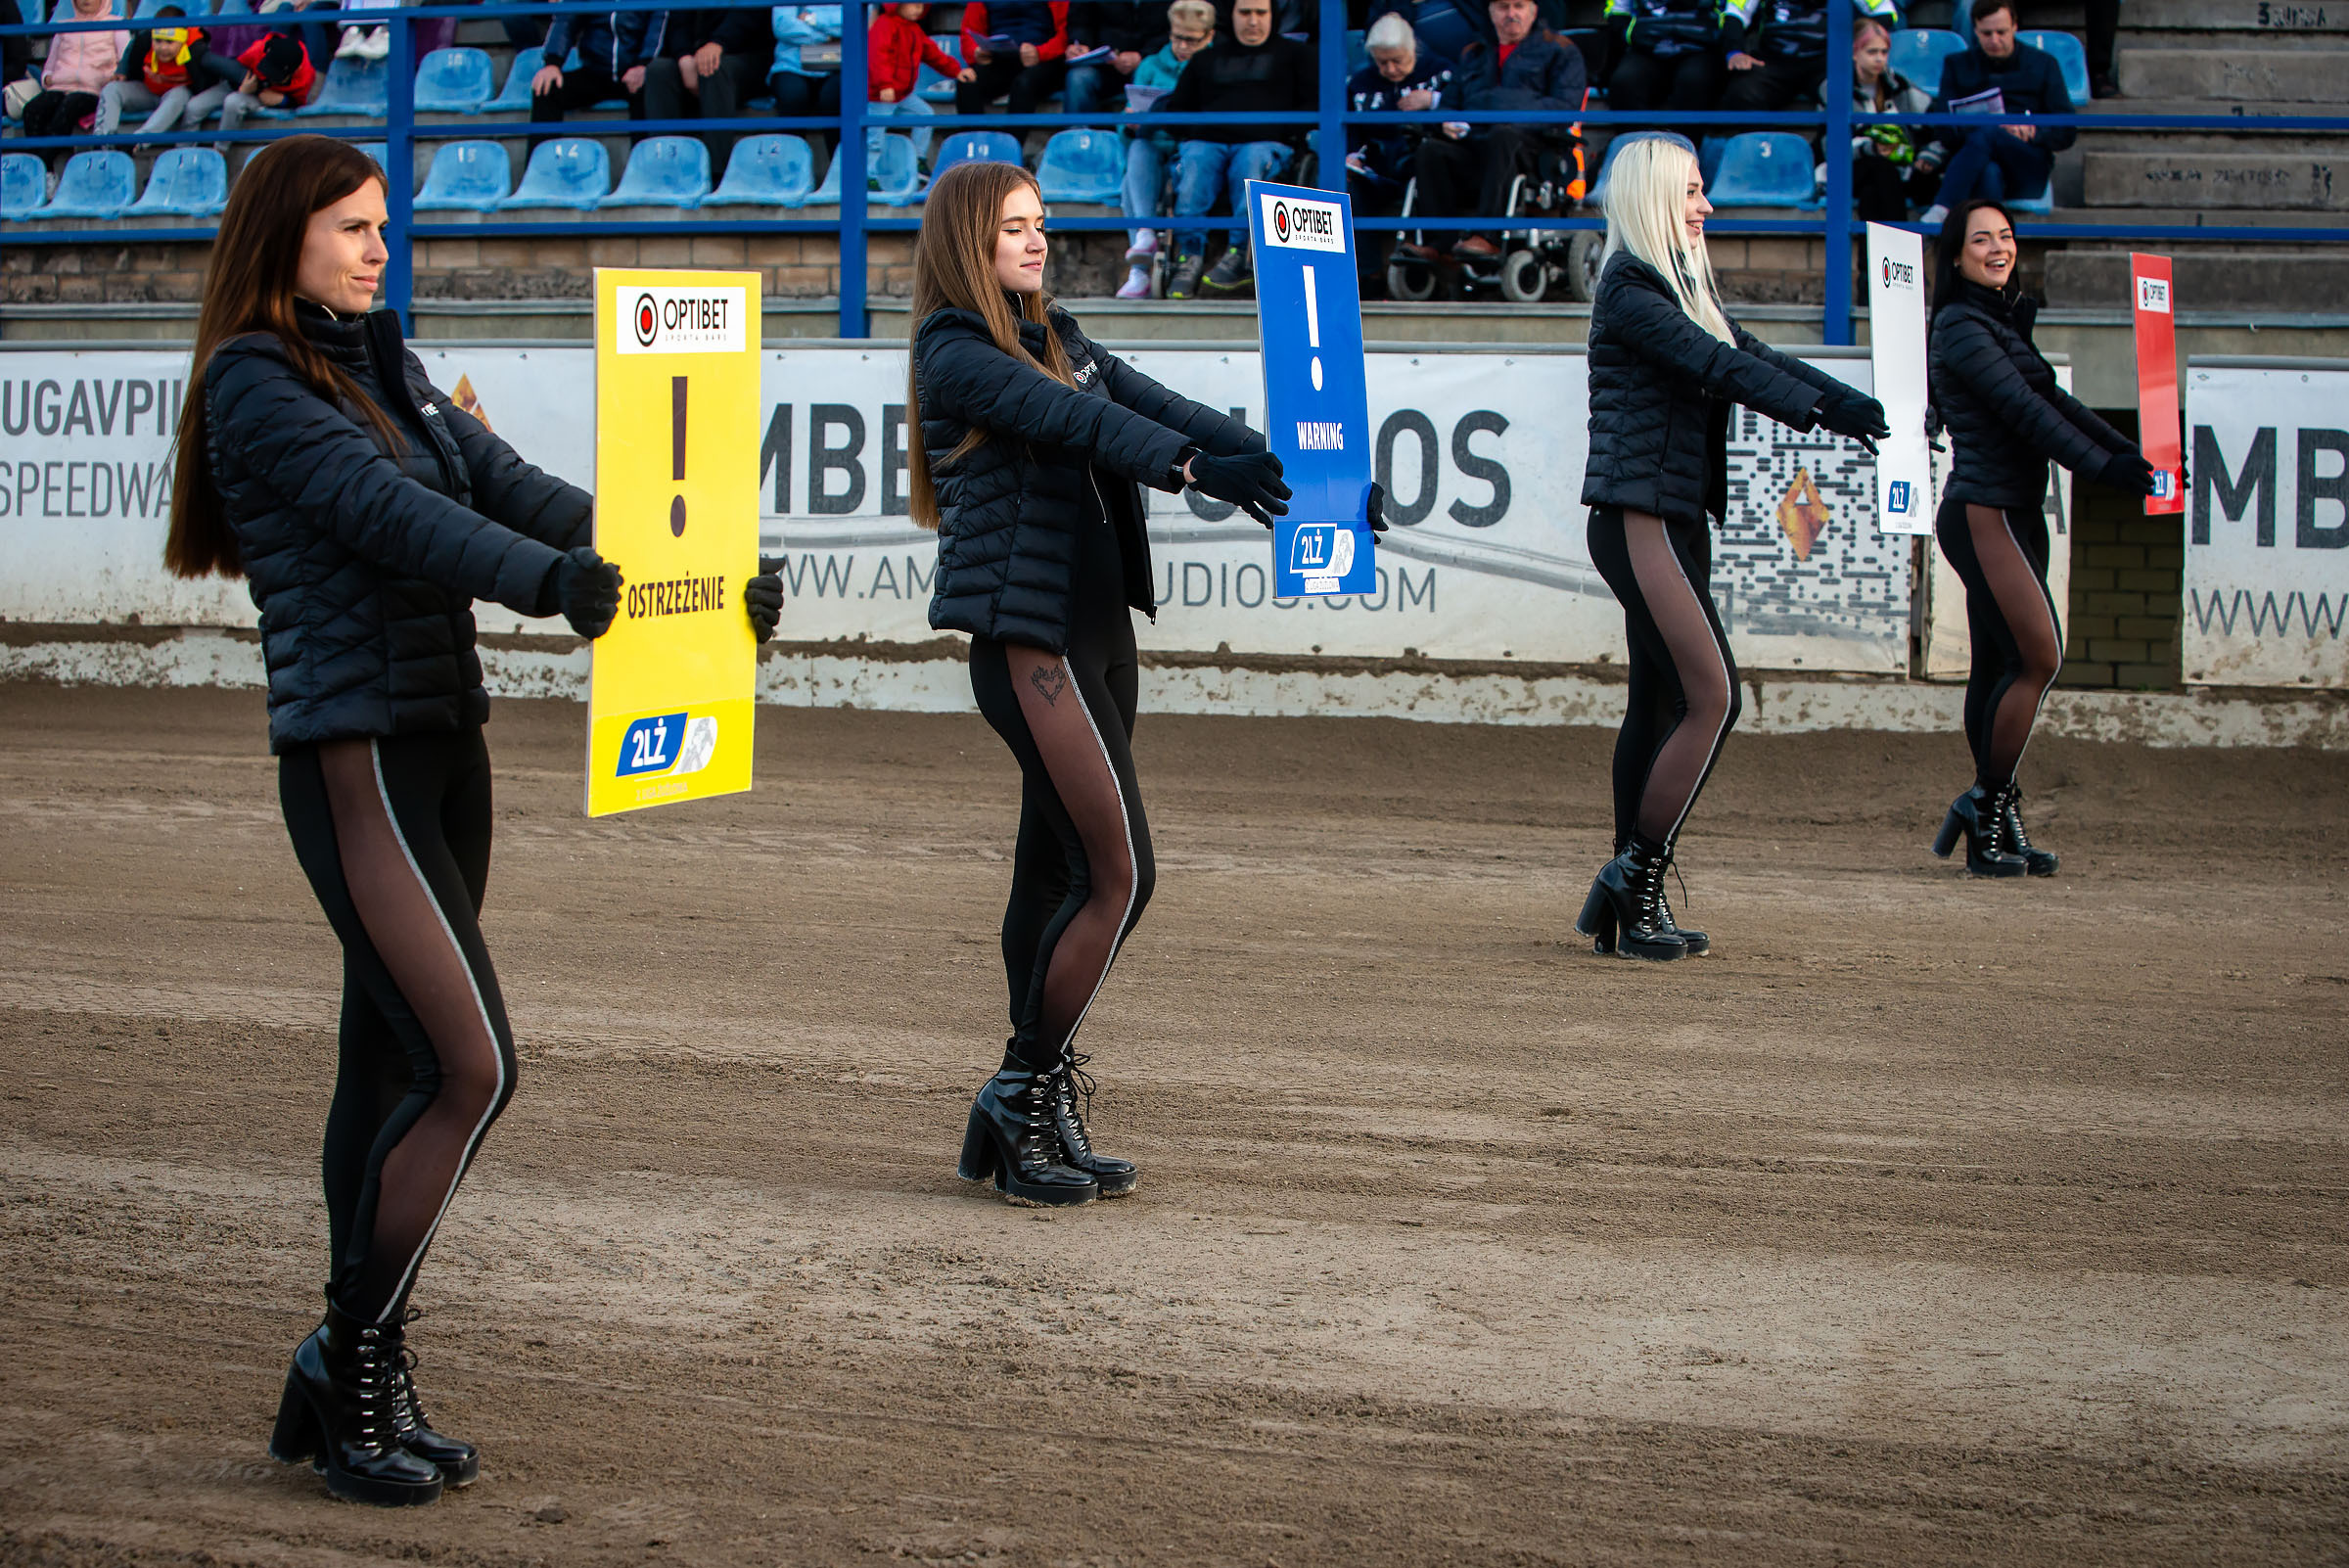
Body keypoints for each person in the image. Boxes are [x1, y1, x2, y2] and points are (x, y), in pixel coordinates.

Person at [162, 134, 780, 1507]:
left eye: (386, 226)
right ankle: (347, 1355)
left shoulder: (392, 365)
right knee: (471, 1065)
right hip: (355, 757)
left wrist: (693, 566)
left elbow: (513, 490)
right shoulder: (254, 383)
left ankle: (359, 1372)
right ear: (284, 238)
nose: (380, 246)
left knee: (390, 1065)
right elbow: (395, 521)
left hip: (445, 752)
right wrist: (559, 586)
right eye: (351, 227)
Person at [907, 161, 1293, 1205]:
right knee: (1123, 876)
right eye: (1012, 230)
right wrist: (1188, 471)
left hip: (1097, 634)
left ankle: (1033, 1098)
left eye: (1041, 225)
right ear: (966, 245)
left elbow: (1160, 405)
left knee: (1056, 872)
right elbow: (1090, 427)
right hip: (1030, 647)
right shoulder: (955, 349)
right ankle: (1022, 1089)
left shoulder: (1059, 332)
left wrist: (1311, 471)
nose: (1035, 243)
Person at [1574, 133, 1887, 961]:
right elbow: (1722, 368)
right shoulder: (1633, 291)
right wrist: (1819, 415)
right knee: (1715, 698)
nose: (1706, 206)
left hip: (1670, 518)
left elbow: (1755, 357)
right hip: (1639, 518)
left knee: (1663, 703)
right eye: (1690, 192)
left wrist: (1856, 406)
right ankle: (1636, 875)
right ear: (1651, 200)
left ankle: (1623, 902)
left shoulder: (1678, 289)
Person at [1925, 201, 2151, 877]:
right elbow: (2026, 415)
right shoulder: (1961, 325)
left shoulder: (2000, 318)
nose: (1998, 247)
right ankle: (1986, 804)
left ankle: (1995, 811)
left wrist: (2133, 457)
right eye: (1981, 239)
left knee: (1999, 667)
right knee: (2039, 658)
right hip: (1982, 512)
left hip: (2018, 514)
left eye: (2006, 236)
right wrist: (2103, 469)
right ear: (1957, 255)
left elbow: (2058, 403)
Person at [1155, 0, 1315, 299]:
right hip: (1208, 144)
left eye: (1260, 13)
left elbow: (1312, 108)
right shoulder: (1205, 59)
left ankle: (1240, 255)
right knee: (1195, 160)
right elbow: (1177, 110)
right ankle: (1188, 256)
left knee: (1252, 160)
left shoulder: (1297, 56)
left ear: (1272, 16)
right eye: (1245, 13)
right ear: (1232, 15)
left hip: (1264, 144)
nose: (1252, 21)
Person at [1402, 0, 1580, 262]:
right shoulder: (1473, 52)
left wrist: (1498, 107)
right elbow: (1450, 103)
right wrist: (1448, 121)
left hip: (1529, 150)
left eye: (1519, 6)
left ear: (1533, 10)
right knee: (1431, 150)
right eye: (1503, 7)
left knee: (1503, 134)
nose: (1511, 14)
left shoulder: (1561, 51)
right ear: (1491, 12)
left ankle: (1488, 237)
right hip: (1473, 145)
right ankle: (1437, 244)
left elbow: (1565, 107)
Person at [1916, 0, 2076, 224]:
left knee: (1989, 131)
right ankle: (1994, 249)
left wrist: (2033, 132)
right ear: (1975, 30)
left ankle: (1942, 208)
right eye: (1986, 33)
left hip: (2027, 162)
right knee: (1988, 172)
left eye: (2001, 32)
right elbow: (1944, 129)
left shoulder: (2043, 64)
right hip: (1973, 160)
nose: (1994, 40)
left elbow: (2067, 131)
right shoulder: (1957, 65)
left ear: (2015, 27)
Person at [1116, 0, 1216, 299]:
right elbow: (1130, 117)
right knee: (1137, 154)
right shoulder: (1149, 65)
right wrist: (1129, 121)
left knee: (1129, 187)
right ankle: (1144, 239)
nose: (1183, 46)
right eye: (1177, 37)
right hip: (1153, 141)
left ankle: (1140, 271)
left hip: (1192, 146)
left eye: (1192, 39)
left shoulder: (1212, 64)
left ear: (1209, 36)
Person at [1346, 12, 1451, 288]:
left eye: (1398, 61)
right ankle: (1368, 275)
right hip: (1376, 164)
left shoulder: (1441, 73)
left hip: (1422, 158)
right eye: (1383, 63)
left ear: (1412, 49)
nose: (1391, 69)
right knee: (1351, 188)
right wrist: (1352, 155)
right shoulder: (1360, 84)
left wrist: (1433, 100)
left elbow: (1463, 110)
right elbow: (1349, 129)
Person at [643, 5, 774, 183]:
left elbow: (751, 14)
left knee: (714, 70)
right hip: (697, 56)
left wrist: (719, 43)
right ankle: (665, 171)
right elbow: (677, 20)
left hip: (746, 55)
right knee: (658, 71)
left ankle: (717, 176)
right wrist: (683, 56)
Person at [1717, 0, 1897, 115]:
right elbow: (1735, 13)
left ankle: (1830, 159)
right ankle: (1771, 154)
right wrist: (1735, 52)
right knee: (1742, 93)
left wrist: (1852, 46)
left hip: (1826, 61)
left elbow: (1885, 11)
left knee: (1842, 93)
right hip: (1773, 61)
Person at [530, 7, 661, 149]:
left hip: (636, 73)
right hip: (595, 71)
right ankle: (542, 166)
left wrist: (644, 64)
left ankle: (644, 165)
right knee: (547, 88)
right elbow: (567, 18)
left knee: (651, 91)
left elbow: (658, 23)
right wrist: (553, 63)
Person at [1845, 18, 1934, 222]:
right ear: (1854, 53)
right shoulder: (1834, 88)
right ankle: (1900, 250)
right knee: (1881, 169)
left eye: (1884, 52)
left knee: (1872, 193)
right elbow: (1829, 145)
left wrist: (1927, 155)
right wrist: (1872, 148)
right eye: (1872, 52)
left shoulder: (1898, 84)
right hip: (1849, 169)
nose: (1879, 59)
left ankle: (1872, 255)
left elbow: (1931, 120)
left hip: (1895, 170)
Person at [95, 8, 230, 139]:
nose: (163, 48)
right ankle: (103, 141)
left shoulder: (196, 50)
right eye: (158, 41)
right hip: (148, 92)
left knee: (180, 94)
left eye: (170, 42)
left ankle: (139, 140)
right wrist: (123, 71)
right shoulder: (144, 42)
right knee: (112, 89)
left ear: (182, 40)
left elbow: (207, 81)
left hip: (175, 97)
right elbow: (131, 55)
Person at [18, 0, 127, 144]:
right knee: (32, 110)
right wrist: (47, 79)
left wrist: (112, 78)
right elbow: (49, 67)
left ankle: (43, 160)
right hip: (60, 87)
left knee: (68, 107)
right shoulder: (64, 27)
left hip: (94, 90)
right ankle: (40, 161)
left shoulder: (117, 25)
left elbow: (125, 64)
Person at [1598, 0, 1722, 117]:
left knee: (1693, 82)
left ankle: (1684, 139)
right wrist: (1629, 34)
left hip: (1700, 46)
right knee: (1624, 83)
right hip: (1647, 45)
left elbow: (1732, 12)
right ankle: (1638, 138)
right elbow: (1618, 12)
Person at [955, 0, 1072, 115]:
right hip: (999, 60)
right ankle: (974, 134)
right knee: (967, 81)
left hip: (1043, 61)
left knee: (1024, 84)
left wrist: (1040, 53)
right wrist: (976, 52)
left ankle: (1012, 135)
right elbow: (969, 33)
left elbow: (1067, 31)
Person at [1064, 0, 1168, 114]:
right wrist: (1080, 44)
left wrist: (1143, 55)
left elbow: (1172, 30)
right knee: (1078, 77)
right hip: (1104, 64)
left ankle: (1143, 130)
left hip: (1152, 63)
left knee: (1150, 74)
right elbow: (1080, 21)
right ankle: (1074, 130)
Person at [218, 27, 318, 139]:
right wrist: (244, 89)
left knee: (232, 101)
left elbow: (300, 104)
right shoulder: (259, 49)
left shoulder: (306, 76)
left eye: (276, 75)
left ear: (296, 70)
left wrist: (284, 101)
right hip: (246, 89)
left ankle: (220, 150)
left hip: (270, 100)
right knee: (196, 107)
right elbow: (235, 72)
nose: (270, 76)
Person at [771, 3, 847, 127]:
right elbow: (783, 25)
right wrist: (827, 37)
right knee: (793, 96)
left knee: (835, 97)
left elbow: (858, 21)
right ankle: (792, 146)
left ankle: (839, 148)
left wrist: (811, 19)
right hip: (793, 64)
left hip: (842, 65)